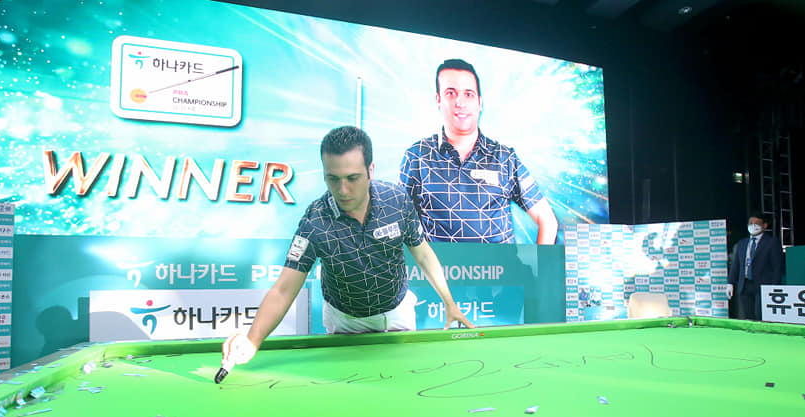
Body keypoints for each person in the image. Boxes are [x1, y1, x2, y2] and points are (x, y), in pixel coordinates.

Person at [219, 126, 474, 381]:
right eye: (333, 179)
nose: (342, 190)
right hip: (345, 322)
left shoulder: (397, 201)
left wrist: (449, 303)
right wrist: (252, 341)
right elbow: (284, 290)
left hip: (398, 315)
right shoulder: (314, 221)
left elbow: (423, 254)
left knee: (404, 385)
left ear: (370, 170)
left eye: (352, 178)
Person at [399, 58, 558, 244]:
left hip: (500, 264)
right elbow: (399, 224)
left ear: (479, 103)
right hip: (437, 264)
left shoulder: (505, 158)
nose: (460, 102)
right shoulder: (416, 157)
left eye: (468, 94)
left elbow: (547, 221)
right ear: (439, 100)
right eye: (450, 93)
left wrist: (538, 264)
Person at [727, 213, 784, 320]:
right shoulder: (742, 243)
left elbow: (777, 267)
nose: (753, 226)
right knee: (748, 316)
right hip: (745, 284)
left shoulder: (771, 242)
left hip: (763, 285)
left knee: (760, 316)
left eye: (756, 223)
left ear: (764, 225)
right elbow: (736, 265)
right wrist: (730, 282)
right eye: (751, 223)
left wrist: (774, 287)